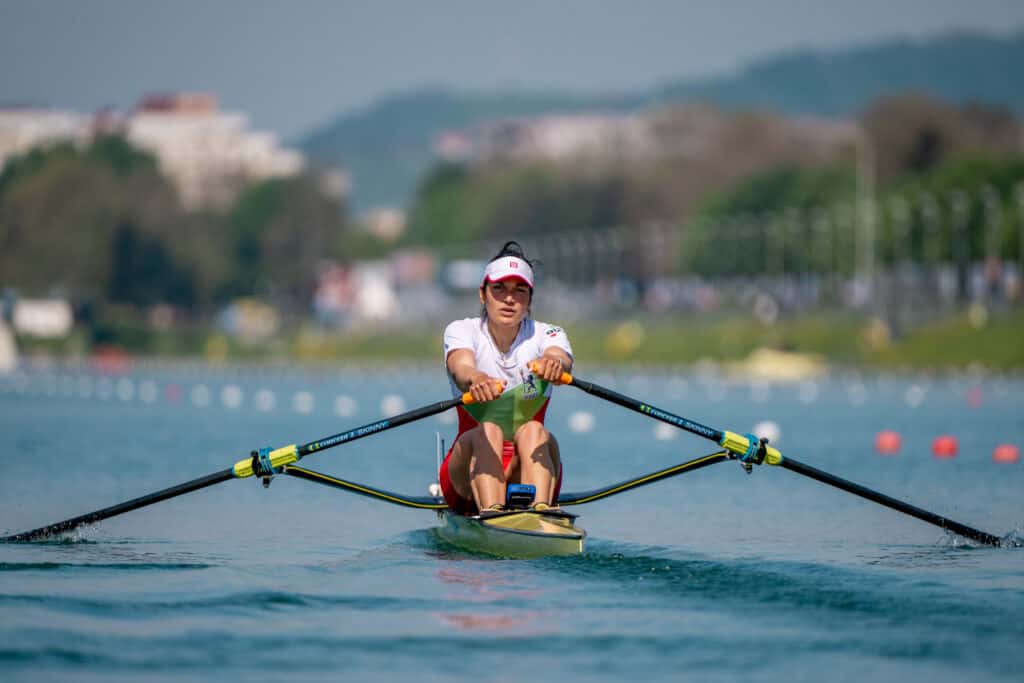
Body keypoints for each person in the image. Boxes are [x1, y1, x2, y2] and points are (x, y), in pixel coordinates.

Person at [439, 241, 573, 516]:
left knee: (535, 431)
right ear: (482, 294)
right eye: (499, 289)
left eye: (519, 291)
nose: (509, 299)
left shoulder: (548, 334)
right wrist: (475, 378)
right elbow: (460, 366)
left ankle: (540, 513)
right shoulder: (462, 330)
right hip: (466, 476)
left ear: (530, 299)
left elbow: (561, 357)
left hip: (529, 469)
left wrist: (554, 365)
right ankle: (493, 514)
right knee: (490, 429)